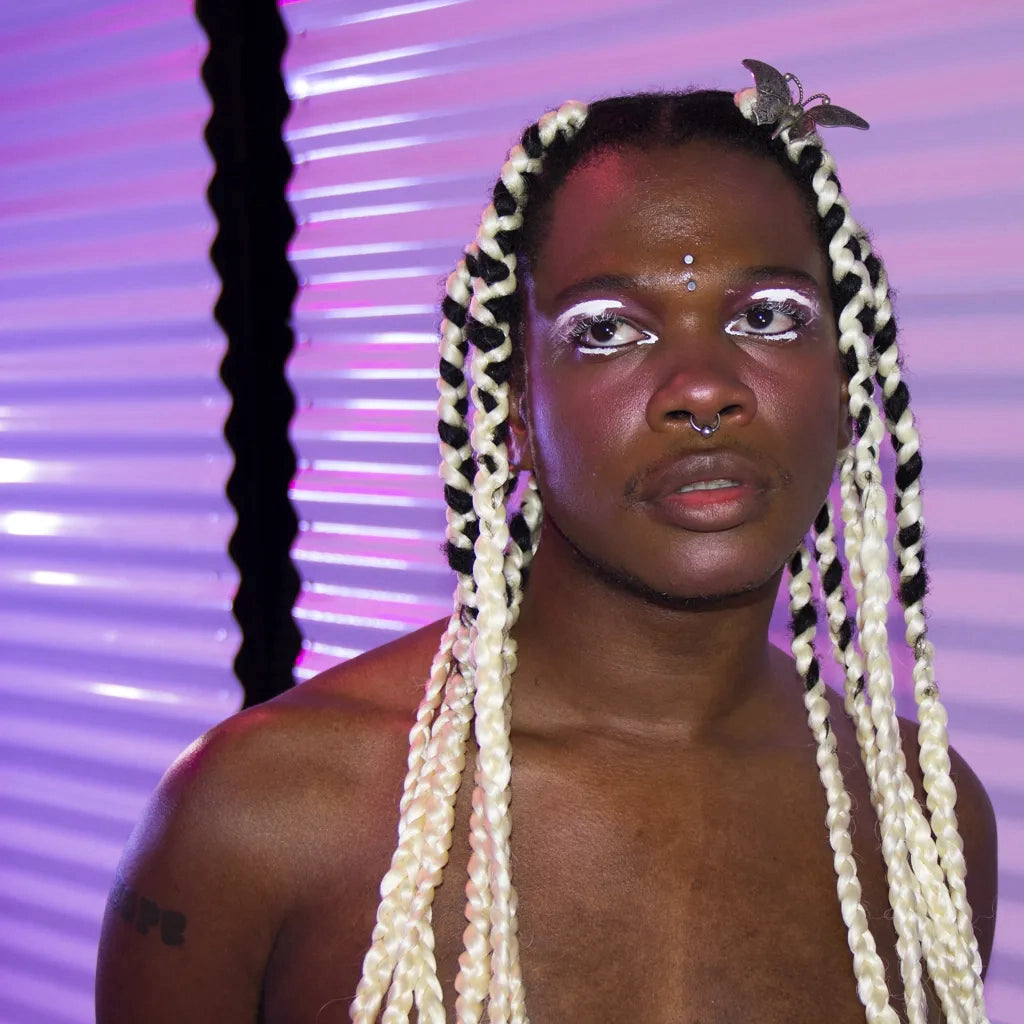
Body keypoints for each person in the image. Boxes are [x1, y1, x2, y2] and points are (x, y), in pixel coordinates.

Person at [95, 63, 998, 1024]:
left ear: (849, 385)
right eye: (606, 330)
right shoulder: (263, 812)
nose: (702, 386)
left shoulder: (923, 826)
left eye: (768, 316)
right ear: (517, 408)